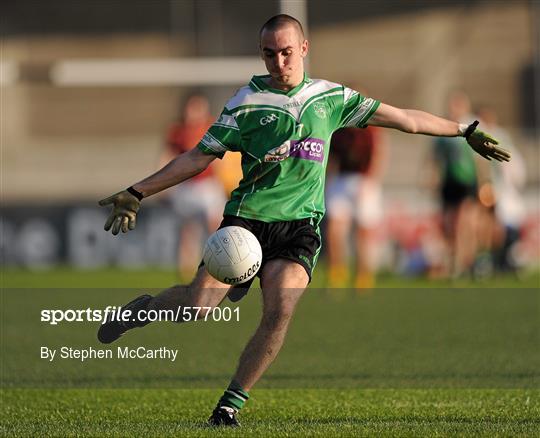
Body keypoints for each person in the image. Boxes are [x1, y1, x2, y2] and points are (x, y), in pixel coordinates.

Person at [97, 14, 510, 427]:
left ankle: (228, 407)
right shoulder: (246, 102)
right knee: (196, 307)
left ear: (304, 48)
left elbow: (406, 119)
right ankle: (141, 311)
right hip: (246, 222)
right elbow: (196, 158)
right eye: (269, 54)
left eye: (286, 52)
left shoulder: (331, 98)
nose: (279, 62)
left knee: (279, 311)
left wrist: (463, 129)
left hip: (299, 228)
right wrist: (137, 192)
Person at [159, 94, 226, 278]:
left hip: (208, 186)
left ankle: (220, 265)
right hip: (186, 186)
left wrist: (224, 182)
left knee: (217, 227)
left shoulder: (211, 127)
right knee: (188, 231)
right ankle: (186, 272)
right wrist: (163, 186)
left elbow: (220, 160)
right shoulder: (178, 131)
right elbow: (168, 157)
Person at [326, 111, 388, 289]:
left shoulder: (372, 131)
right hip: (341, 180)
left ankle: (363, 276)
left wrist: (370, 182)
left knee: (363, 234)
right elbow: (332, 158)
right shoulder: (340, 129)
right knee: (334, 230)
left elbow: (378, 156)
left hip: (364, 181)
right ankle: (337, 273)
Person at [431, 92, 482, 278]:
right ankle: (457, 261)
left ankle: (463, 264)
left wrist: (485, 183)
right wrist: (432, 177)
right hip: (449, 182)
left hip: (467, 182)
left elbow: (480, 160)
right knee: (449, 225)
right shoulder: (443, 131)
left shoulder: (473, 129)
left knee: (463, 223)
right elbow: (435, 158)